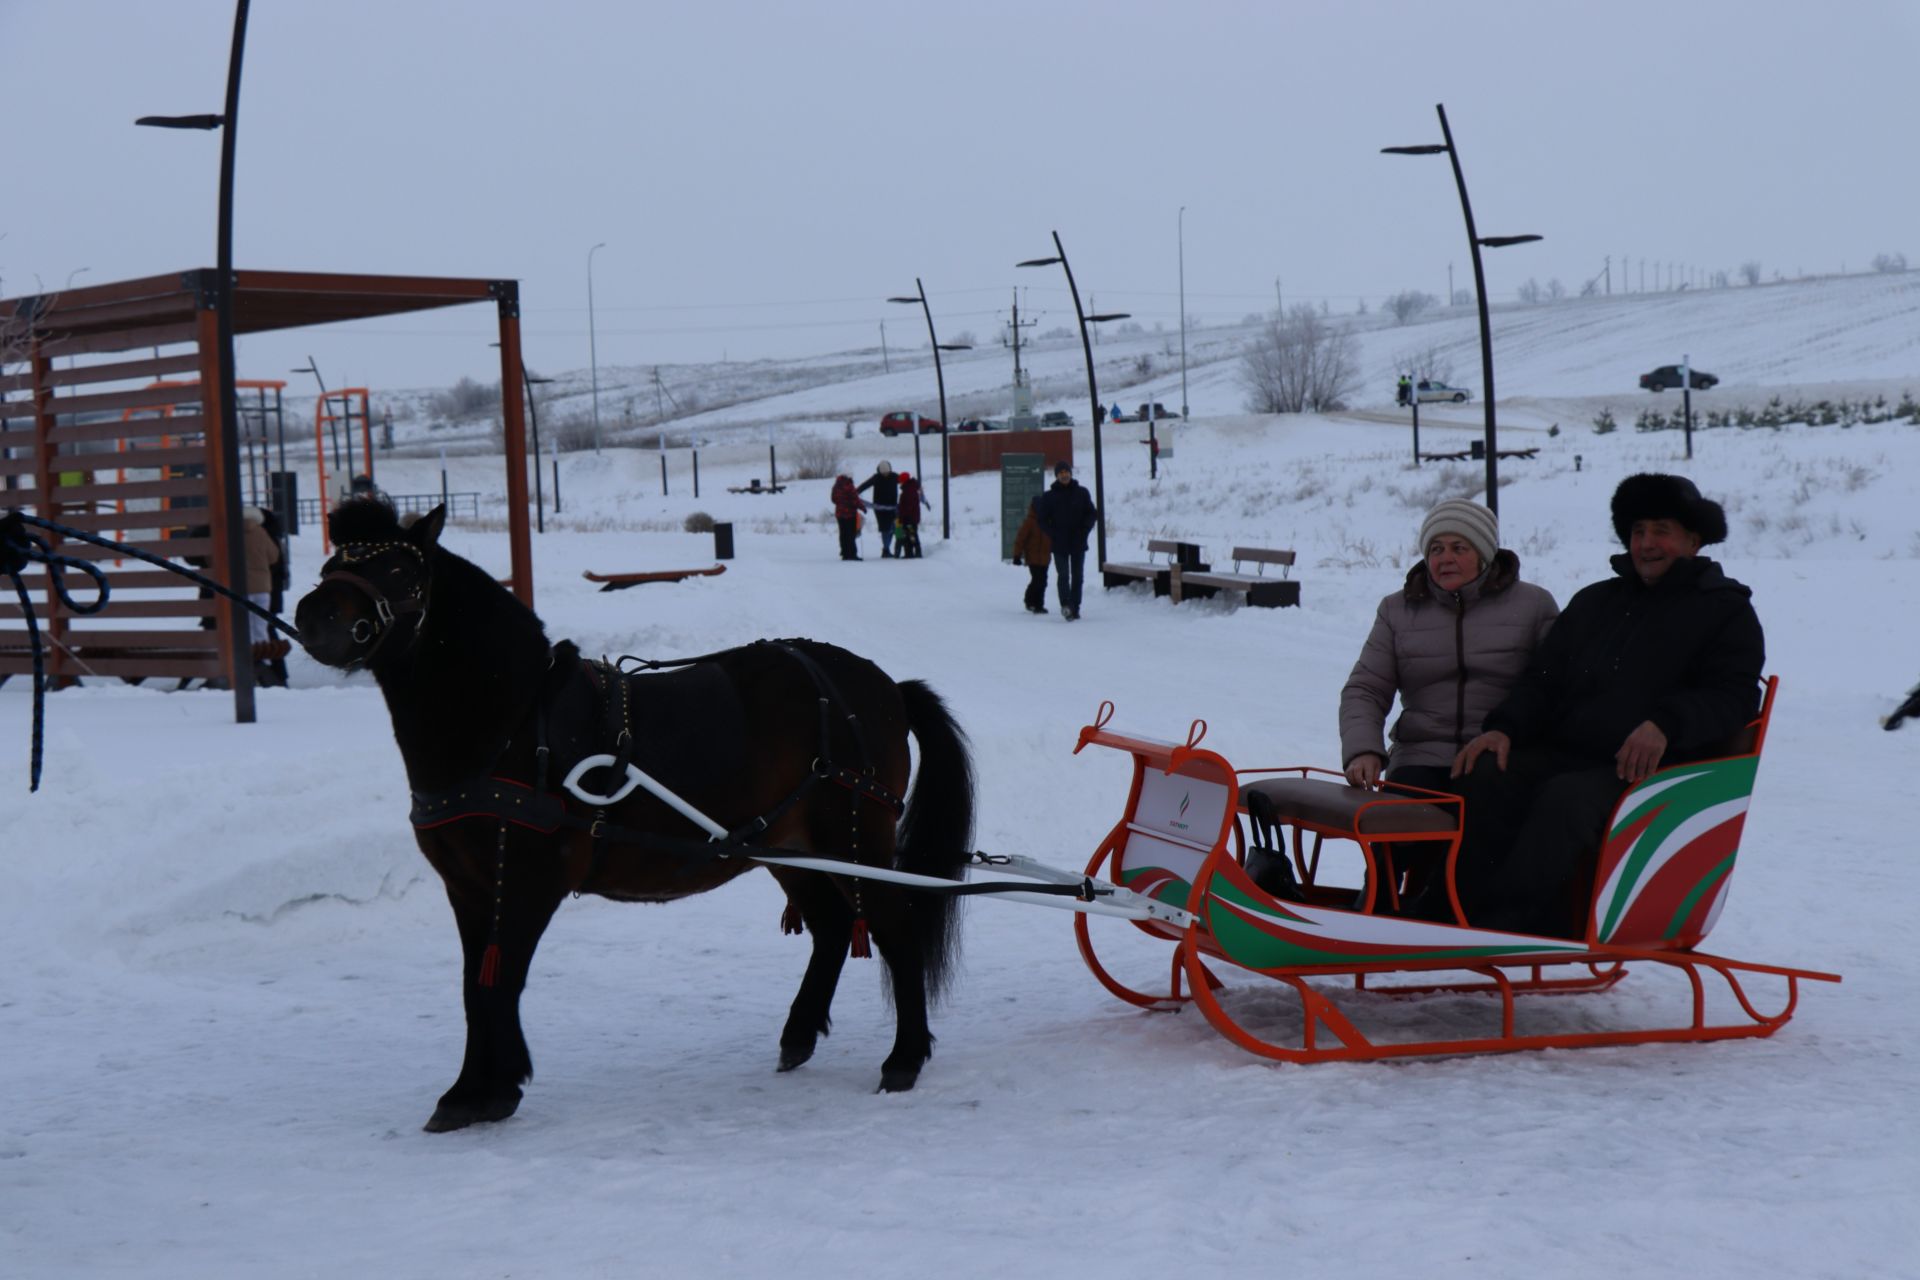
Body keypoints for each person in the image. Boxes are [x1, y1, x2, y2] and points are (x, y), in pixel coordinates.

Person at [1442, 473, 1765, 938]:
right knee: (1487, 772)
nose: (1646, 544)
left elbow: (1732, 697)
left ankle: (1505, 926)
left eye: (1661, 531)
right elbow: (1543, 680)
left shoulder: (1725, 611)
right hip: (1572, 753)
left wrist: (1664, 724)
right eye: (1637, 531)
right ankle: (1453, 912)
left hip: (1657, 771)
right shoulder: (1596, 601)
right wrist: (1505, 728)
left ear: (1693, 540)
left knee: (1566, 800)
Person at [1339, 499, 1559, 795]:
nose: (1445, 559)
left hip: (1501, 752)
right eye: (1436, 549)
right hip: (1421, 754)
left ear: (1484, 554)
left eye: (1459, 548)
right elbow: (1366, 688)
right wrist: (1363, 750)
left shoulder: (1534, 605)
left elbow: (1553, 685)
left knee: (1487, 804)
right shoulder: (1397, 610)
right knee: (1400, 825)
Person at [1036, 460, 1097, 621]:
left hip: (1078, 541)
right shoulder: (1049, 497)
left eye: (1066, 472)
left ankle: (1075, 607)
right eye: (1061, 473)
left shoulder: (1082, 493)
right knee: (1063, 575)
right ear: (1056, 476)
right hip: (1059, 544)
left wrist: (1085, 530)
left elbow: (1091, 513)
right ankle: (1066, 605)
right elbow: (1041, 520)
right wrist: (1052, 534)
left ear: (1070, 473)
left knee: (1078, 576)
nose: (1064, 475)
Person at [1011, 495, 1052, 614]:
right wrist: (1017, 556)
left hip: (1045, 558)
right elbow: (1020, 539)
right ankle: (1031, 601)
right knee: (1038, 580)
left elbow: (1053, 537)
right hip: (1033, 558)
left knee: (1042, 580)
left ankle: (1038, 604)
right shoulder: (1030, 522)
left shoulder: (1048, 521)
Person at [856, 461, 899, 558]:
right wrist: (855, 492)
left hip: (892, 507)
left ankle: (887, 549)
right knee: (885, 529)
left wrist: (914, 485)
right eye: (883, 473)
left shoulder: (894, 476)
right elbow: (864, 485)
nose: (885, 474)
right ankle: (886, 550)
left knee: (893, 528)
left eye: (887, 472)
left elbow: (905, 481)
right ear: (879, 471)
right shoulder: (876, 478)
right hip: (879, 509)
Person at [830, 474, 867, 560]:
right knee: (851, 534)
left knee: (843, 534)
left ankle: (845, 553)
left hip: (839, 514)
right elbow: (855, 500)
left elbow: (833, 499)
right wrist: (862, 508)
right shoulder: (849, 486)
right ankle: (852, 554)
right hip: (850, 514)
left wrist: (840, 503)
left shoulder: (836, 486)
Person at [895, 471, 929, 558]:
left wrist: (902, 516)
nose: (900, 483)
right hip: (911, 518)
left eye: (900, 481)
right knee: (909, 535)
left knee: (911, 535)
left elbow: (907, 507)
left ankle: (915, 552)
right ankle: (910, 553)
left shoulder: (908, 491)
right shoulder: (910, 488)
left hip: (909, 519)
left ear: (904, 481)